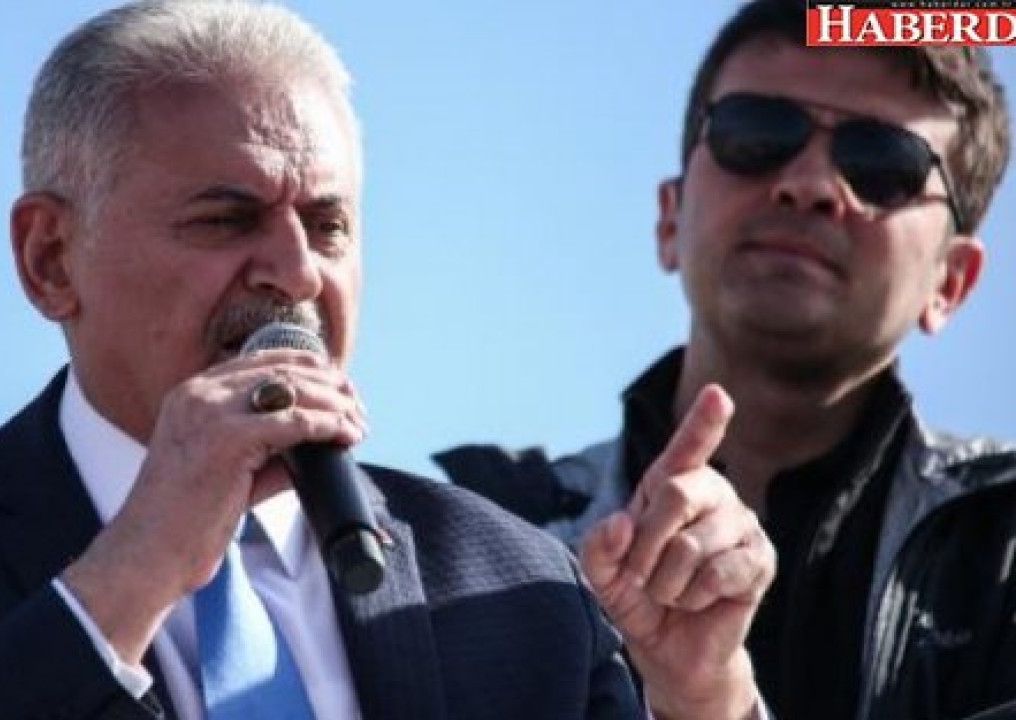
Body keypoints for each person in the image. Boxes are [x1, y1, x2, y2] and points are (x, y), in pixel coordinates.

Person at [0, 2, 775, 719]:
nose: (292, 272)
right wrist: (132, 571)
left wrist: (701, 695)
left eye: (327, 226)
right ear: (50, 258)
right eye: (225, 218)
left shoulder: (520, 589)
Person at [435, 1, 1016, 719]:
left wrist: (711, 703)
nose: (808, 183)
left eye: (881, 162)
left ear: (951, 283)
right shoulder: (473, 540)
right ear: (669, 217)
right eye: (757, 133)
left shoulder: (1005, 548)